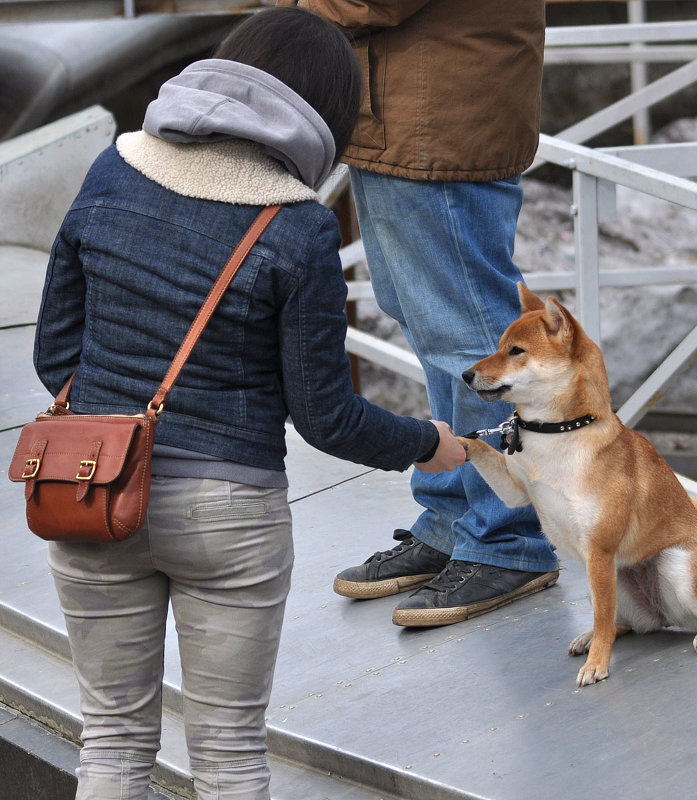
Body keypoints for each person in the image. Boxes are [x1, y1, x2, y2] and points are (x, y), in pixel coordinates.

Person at [32, 8, 464, 799]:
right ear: (326, 115)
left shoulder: (113, 166)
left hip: (91, 490)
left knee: (113, 741)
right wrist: (428, 442)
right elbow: (326, 417)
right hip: (226, 516)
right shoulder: (297, 228)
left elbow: (54, 356)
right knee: (228, 756)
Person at [279, 0, 561, 626]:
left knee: (471, 342)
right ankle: (457, 517)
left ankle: (509, 539)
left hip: (438, 117)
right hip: (413, 114)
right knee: (436, 327)